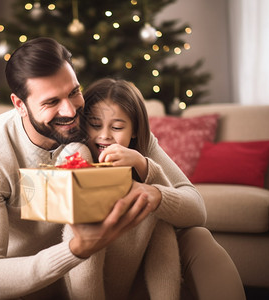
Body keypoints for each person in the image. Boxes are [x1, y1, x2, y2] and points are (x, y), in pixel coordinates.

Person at [0, 37, 245, 299]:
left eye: (73, 92)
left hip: (111, 281)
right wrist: (75, 250)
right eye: (51, 102)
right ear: (20, 105)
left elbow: (195, 208)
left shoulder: (101, 126)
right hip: (33, 289)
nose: (70, 111)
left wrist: (150, 180)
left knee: (198, 238)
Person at [62, 78, 183, 300]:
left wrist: (143, 164)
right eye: (95, 125)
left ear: (135, 130)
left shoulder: (144, 148)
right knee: (85, 222)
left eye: (117, 127)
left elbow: (195, 209)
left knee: (162, 215)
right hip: (75, 282)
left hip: (132, 279)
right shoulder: (76, 148)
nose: (105, 135)